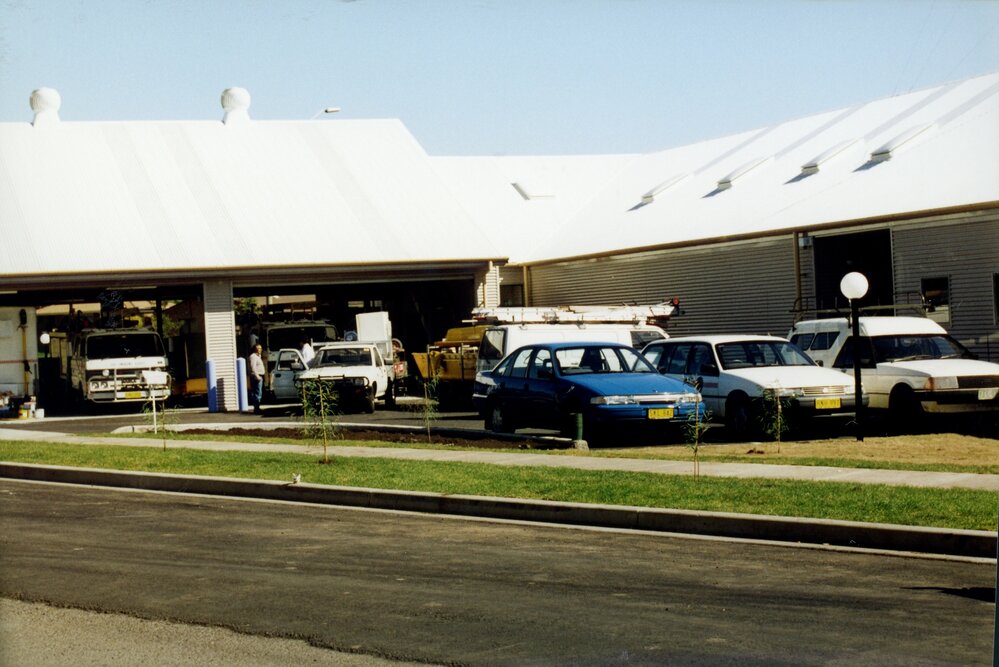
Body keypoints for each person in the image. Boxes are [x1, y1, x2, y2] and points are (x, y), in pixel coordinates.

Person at [248, 344, 265, 414]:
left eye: (260, 348)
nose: (260, 350)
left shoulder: (258, 356)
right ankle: (256, 409)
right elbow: (253, 367)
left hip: (259, 376)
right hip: (256, 377)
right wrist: (257, 376)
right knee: (257, 393)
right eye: (258, 348)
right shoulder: (253, 356)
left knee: (258, 392)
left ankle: (257, 407)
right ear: (255, 349)